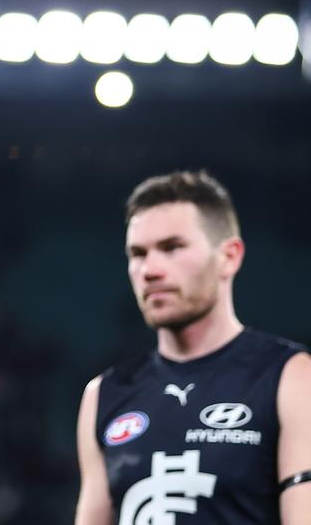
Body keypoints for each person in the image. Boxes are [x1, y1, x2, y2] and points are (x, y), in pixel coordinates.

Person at [75, 170, 311, 524]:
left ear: (229, 257)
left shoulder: (291, 378)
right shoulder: (104, 394)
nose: (150, 269)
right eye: (138, 253)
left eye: (172, 248)